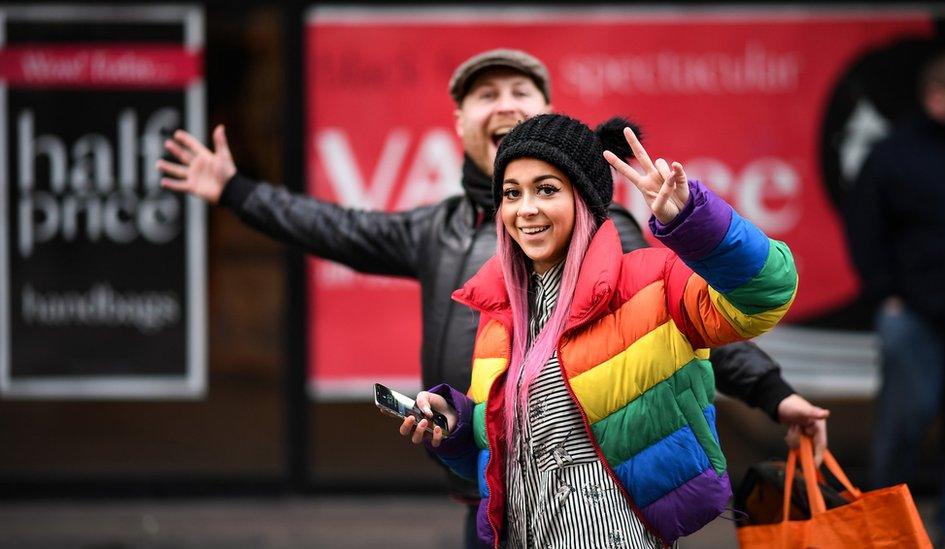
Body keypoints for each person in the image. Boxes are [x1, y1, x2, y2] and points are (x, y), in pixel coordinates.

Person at [157, 48, 826, 547]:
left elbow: (697, 327)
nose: (503, 102)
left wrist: (771, 389)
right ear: (460, 124)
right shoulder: (464, 267)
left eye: (520, 90)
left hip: (609, 512)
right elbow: (338, 231)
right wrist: (452, 420)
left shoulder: (626, 248)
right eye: (485, 94)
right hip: (497, 496)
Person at [400, 114, 798, 547]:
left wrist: (694, 222)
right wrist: (456, 429)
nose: (526, 209)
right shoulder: (500, 311)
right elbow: (507, 453)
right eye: (512, 194)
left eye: (546, 190)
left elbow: (768, 293)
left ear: (585, 199)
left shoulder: (652, 281)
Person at [846, 50, 945, 548]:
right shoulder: (894, 154)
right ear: (937, 95)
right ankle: (882, 527)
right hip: (915, 316)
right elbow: (864, 230)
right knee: (906, 421)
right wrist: (886, 293)